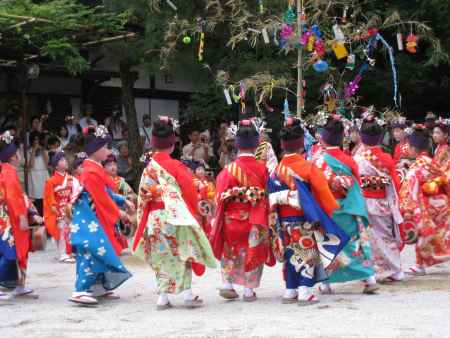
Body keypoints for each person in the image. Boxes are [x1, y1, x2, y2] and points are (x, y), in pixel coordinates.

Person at [133, 116, 216, 310]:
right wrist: (194, 212)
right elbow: (189, 192)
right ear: (172, 144)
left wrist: (142, 219)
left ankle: (163, 296)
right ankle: (187, 294)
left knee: (161, 256)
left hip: (154, 218)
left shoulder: (148, 169)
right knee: (182, 252)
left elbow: (143, 196)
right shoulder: (177, 166)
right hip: (175, 216)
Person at [268, 117, 348, 305]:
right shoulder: (308, 167)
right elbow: (322, 193)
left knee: (291, 254)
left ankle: (290, 290)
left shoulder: (275, 170)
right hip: (305, 219)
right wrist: (327, 211)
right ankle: (304, 291)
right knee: (307, 254)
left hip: (283, 220)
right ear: (301, 144)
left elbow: (271, 198)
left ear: (283, 145)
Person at [311, 116, 378, 294]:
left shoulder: (318, 161)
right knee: (355, 244)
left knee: (327, 245)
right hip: (349, 208)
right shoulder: (350, 160)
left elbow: (314, 188)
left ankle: (325, 284)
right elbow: (357, 183)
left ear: (322, 138)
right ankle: (369, 278)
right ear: (342, 138)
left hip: (327, 209)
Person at [211, 119, 274, 302]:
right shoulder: (263, 169)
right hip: (255, 218)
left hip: (232, 218)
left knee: (230, 251)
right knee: (253, 250)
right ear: (256, 144)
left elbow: (219, 198)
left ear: (237, 144)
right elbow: (267, 195)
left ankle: (228, 285)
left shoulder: (227, 170)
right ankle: (248, 290)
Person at [68, 125, 132, 305]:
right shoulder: (89, 172)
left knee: (100, 251)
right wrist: (119, 212)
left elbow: (106, 194)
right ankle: (80, 290)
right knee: (91, 252)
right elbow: (101, 198)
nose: (109, 150)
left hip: (94, 218)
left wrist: (122, 200)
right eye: (106, 147)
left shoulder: (93, 169)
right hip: (89, 218)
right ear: (95, 149)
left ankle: (99, 287)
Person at [353, 115, 404, 283]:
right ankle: (395, 269)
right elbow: (394, 182)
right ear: (380, 137)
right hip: (383, 202)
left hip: (365, 202)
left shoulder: (358, 159)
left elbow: (356, 181)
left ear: (361, 137)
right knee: (386, 237)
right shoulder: (387, 158)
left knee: (370, 239)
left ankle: (375, 270)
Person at [400, 126, 450, 276]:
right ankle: (419, 264)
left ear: (414, 148)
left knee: (424, 233)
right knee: (440, 234)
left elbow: (409, 188)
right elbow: (443, 177)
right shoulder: (428, 160)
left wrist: (406, 207)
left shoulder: (418, 165)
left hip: (427, 203)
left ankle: (419, 265)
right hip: (440, 202)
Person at [0, 131, 41, 300]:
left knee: (16, 252)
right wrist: (23, 217)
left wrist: (31, 211)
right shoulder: (8, 173)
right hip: (8, 219)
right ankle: (14, 284)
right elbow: (13, 197)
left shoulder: (7, 171)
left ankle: (19, 284)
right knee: (12, 252)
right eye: (17, 152)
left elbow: (20, 196)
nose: (19, 155)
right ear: (13, 157)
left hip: (9, 216)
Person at [44, 152, 81, 263]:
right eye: (61, 160)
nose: (65, 162)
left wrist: (71, 207)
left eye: (65, 159)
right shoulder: (50, 181)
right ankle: (63, 253)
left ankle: (71, 251)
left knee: (72, 229)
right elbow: (50, 198)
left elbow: (75, 193)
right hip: (57, 209)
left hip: (70, 207)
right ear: (56, 165)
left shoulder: (71, 179)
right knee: (61, 230)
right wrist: (57, 211)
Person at [27, 132, 49, 215]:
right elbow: (31, 165)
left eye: (37, 139)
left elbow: (47, 163)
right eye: (34, 139)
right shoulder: (28, 151)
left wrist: (42, 150)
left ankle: (45, 216)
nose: (36, 141)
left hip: (43, 174)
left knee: (45, 196)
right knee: (35, 197)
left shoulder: (44, 150)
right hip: (34, 175)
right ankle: (37, 216)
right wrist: (34, 150)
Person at [392, 118, 413, 183]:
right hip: (400, 174)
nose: (395, 134)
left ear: (405, 131)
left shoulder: (410, 144)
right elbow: (395, 160)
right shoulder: (397, 146)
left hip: (409, 174)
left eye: (397, 131)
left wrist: (404, 163)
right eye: (394, 131)